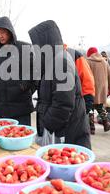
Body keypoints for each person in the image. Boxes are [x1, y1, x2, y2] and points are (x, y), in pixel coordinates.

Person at [29, 20, 91, 148]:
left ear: (46, 42)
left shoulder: (61, 62)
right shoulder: (52, 61)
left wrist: (48, 124)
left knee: (67, 165)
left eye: (37, 44)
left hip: (66, 132)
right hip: (60, 129)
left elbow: (64, 103)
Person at [0, 16, 36, 126]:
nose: (0, 36)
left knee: (22, 138)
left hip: (21, 108)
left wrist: (24, 87)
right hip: (2, 109)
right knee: (5, 139)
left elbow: (35, 73)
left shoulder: (24, 48)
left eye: (3, 32)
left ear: (10, 31)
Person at [86, 47, 110, 133]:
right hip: (102, 90)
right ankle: (106, 123)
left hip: (91, 89)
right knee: (100, 107)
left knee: (90, 108)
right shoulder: (105, 62)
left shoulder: (87, 62)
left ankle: (92, 128)